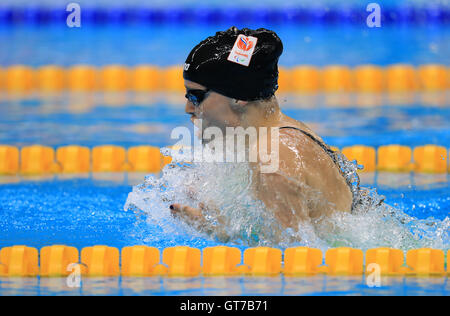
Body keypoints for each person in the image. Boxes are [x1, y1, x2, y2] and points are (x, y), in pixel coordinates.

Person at [169, 26, 354, 239]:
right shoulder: (284, 133)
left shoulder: (271, 161)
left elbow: (297, 258)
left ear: (238, 96)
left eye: (196, 96)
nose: (189, 109)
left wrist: (220, 234)